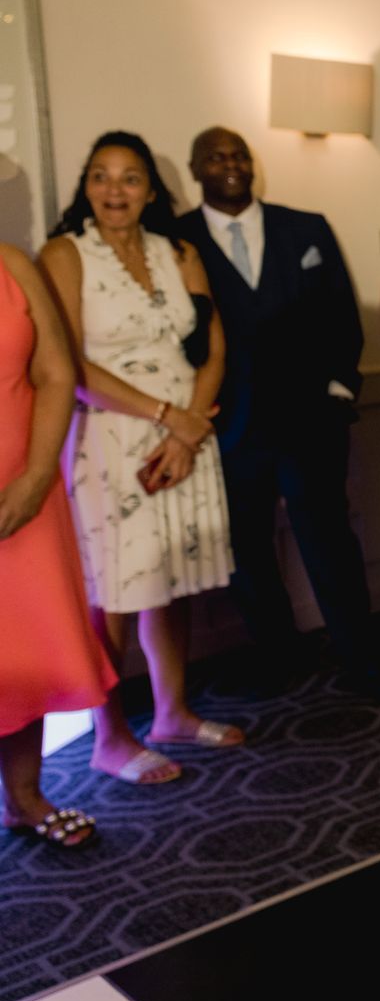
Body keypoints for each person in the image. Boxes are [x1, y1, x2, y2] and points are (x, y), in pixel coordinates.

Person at [173, 127, 380, 701]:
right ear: (195, 169)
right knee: (247, 551)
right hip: (230, 426)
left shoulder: (306, 227)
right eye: (215, 157)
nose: (230, 164)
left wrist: (340, 390)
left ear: (253, 165)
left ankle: (363, 660)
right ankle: (276, 657)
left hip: (310, 421)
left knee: (329, 542)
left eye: (238, 155)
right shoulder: (177, 241)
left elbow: (342, 316)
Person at [41, 132, 241, 780]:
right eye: (100, 176)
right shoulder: (65, 254)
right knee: (117, 593)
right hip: (115, 439)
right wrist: (164, 419)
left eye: (129, 178)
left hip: (184, 438)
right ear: (86, 187)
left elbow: (212, 343)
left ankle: (172, 713)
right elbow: (69, 366)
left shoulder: (176, 251)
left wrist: (187, 432)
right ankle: (109, 736)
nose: (114, 190)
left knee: (168, 583)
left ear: (151, 191)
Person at [0, 243, 114, 846]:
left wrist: (38, 476)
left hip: (26, 491)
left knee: (24, 652)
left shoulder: (12, 265)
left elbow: (55, 372)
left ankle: (23, 797)